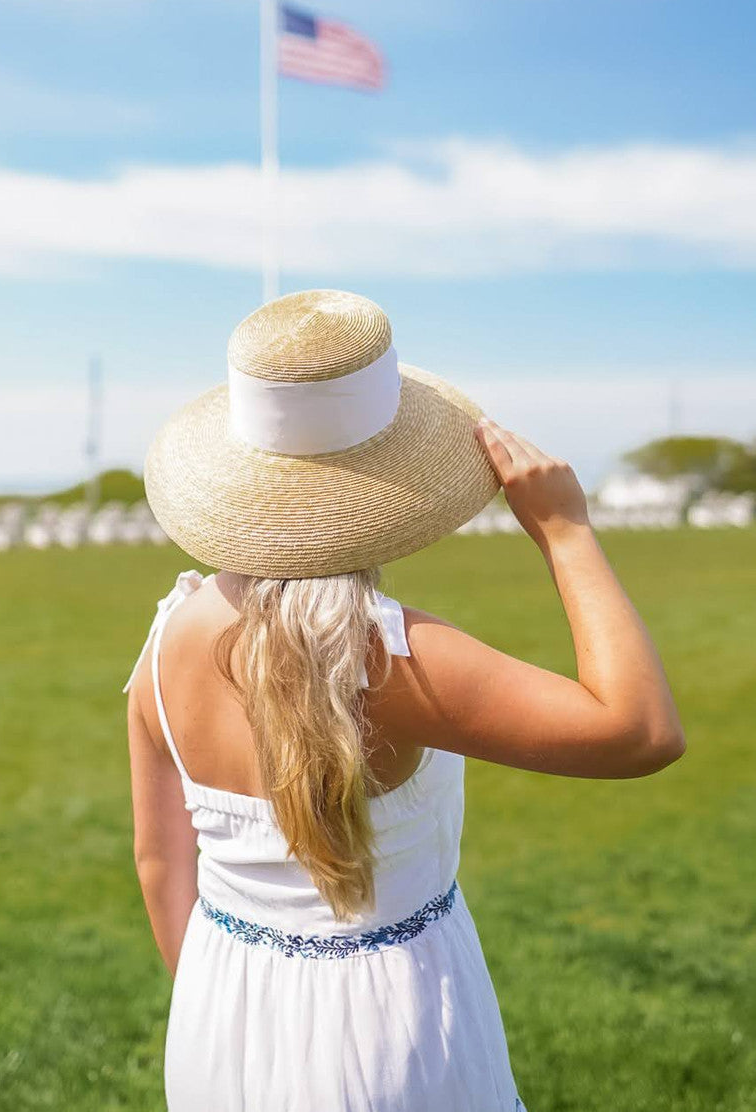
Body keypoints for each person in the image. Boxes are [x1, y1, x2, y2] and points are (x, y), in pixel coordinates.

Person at [124, 289, 685, 1112]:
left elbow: (159, 859)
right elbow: (639, 732)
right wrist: (565, 532)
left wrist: (226, 1009)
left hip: (218, 1004)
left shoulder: (166, 639)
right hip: (391, 1024)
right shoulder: (391, 659)